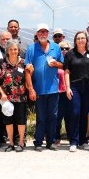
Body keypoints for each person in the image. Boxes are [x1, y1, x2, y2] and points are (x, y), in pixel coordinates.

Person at [25, 23, 64, 151]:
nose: (42, 34)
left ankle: (51, 141)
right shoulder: (32, 48)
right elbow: (27, 70)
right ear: (37, 34)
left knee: (53, 116)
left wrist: (56, 64)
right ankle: (38, 142)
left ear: (48, 34)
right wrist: (31, 89)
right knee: (40, 117)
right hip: (38, 89)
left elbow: (62, 65)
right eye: (40, 32)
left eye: (45, 32)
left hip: (53, 89)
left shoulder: (56, 48)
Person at [0, 40, 28, 152]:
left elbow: (29, 79)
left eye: (15, 49)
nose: (13, 51)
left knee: (21, 121)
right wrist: (2, 93)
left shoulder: (24, 63)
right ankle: (11, 143)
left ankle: (21, 142)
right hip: (7, 99)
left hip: (21, 97)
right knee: (8, 121)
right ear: (7, 51)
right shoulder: (2, 63)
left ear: (19, 50)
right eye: (11, 49)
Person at [64, 31, 89, 151]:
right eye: (78, 38)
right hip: (75, 87)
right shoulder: (70, 54)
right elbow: (67, 72)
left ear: (86, 40)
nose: (81, 40)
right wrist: (67, 87)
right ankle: (73, 141)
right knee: (75, 113)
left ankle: (83, 141)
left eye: (83, 38)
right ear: (75, 40)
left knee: (84, 114)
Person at [54, 40, 71, 145]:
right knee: (58, 116)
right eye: (62, 48)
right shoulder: (56, 61)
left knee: (70, 116)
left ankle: (71, 136)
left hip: (69, 92)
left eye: (66, 48)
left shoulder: (72, 60)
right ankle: (56, 136)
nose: (64, 50)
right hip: (58, 92)